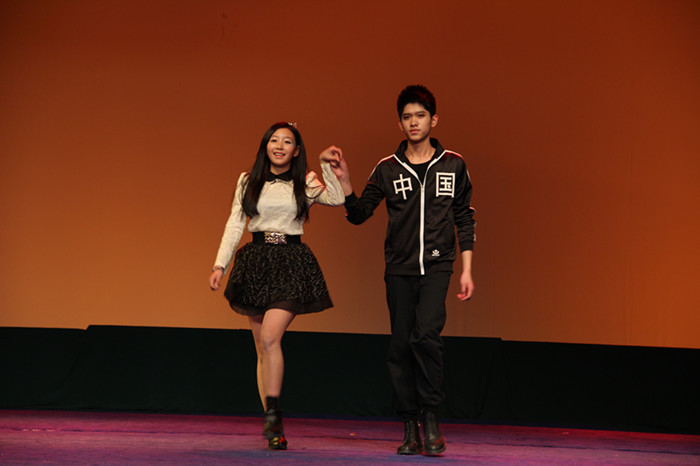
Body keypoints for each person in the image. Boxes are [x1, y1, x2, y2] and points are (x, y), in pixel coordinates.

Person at [323, 85, 475, 456]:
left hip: (438, 264)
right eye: (407, 117)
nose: (414, 122)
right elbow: (359, 214)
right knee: (401, 345)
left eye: (420, 115)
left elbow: (464, 218)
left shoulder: (453, 164)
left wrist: (467, 270)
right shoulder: (387, 168)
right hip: (399, 269)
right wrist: (345, 180)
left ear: (434, 119)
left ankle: (431, 420)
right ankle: (410, 427)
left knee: (427, 336)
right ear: (400, 123)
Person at [209, 122, 344, 451]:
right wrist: (220, 265)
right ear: (265, 145)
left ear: (296, 151)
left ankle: (274, 416)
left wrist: (325, 166)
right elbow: (235, 223)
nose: (279, 146)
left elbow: (337, 198)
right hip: (256, 261)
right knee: (262, 348)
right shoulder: (248, 180)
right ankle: (272, 423)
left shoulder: (305, 181)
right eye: (274, 140)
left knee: (271, 337)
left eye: (287, 141)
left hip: (291, 261)